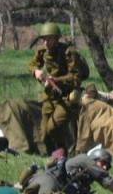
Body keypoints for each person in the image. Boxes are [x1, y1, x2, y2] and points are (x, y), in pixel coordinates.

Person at [28, 21, 88, 155]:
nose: (46, 43)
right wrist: (36, 71)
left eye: (49, 39)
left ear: (56, 39)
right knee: (44, 133)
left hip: (66, 97)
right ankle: (54, 157)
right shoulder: (42, 51)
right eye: (44, 39)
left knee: (52, 128)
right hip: (49, 96)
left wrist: (56, 80)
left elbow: (76, 77)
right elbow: (32, 65)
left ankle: (63, 153)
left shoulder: (69, 53)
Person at [24, 145, 113, 194]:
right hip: (50, 181)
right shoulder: (85, 159)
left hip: (48, 184)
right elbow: (106, 179)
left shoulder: (83, 180)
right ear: (94, 159)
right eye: (103, 163)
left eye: (107, 167)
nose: (104, 168)